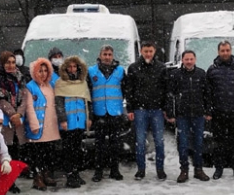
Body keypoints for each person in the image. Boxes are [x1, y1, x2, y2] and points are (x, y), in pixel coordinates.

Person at [206, 41, 234, 180]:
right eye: (222, 51)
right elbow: (207, 92)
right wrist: (208, 110)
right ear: (218, 52)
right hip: (218, 112)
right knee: (218, 143)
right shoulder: (212, 69)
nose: (225, 53)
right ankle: (218, 169)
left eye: (227, 50)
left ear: (231, 51)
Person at [166, 50, 211, 183]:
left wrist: (208, 111)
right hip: (182, 115)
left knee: (198, 143)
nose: (189, 61)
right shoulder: (175, 75)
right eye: (186, 59)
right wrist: (170, 113)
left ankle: (198, 169)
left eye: (191, 59)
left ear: (195, 59)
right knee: (183, 144)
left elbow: (207, 94)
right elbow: (169, 95)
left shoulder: (201, 74)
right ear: (182, 60)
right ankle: (184, 170)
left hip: (198, 114)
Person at [126, 41, 168, 181]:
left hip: (157, 109)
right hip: (140, 110)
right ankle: (141, 169)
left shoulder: (161, 68)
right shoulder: (133, 68)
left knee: (159, 141)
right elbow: (129, 90)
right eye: (146, 51)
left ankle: (160, 169)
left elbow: (165, 90)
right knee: (140, 141)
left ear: (154, 51)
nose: (148, 54)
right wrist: (130, 108)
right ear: (141, 51)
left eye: (150, 51)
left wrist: (166, 108)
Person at [87, 46, 126, 183]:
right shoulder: (91, 71)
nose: (107, 57)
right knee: (99, 145)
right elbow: (88, 92)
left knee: (115, 143)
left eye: (110, 54)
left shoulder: (120, 70)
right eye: (105, 54)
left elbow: (125, 89)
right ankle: (99, 171)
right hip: (99, 113)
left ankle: (115, 170)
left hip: (115, 112)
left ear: (113, 56)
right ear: (100, 55)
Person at [23, 58, 61, 190]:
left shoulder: (50, 86)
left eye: (45, 70)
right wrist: (34, 125)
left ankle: (46, 174)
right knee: (37, 154)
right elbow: (29, 107)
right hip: (38, 127)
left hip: (51, 127)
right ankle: (37, 178)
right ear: (34, 72)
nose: (43, 74)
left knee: (49, 152)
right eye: (40, 71)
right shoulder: (30, 86)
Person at [54, 56, 92, 188]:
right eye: (69, 66)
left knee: (77, 149)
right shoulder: (60, 83)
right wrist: (63, 119)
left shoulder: (82, 83)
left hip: (80, 121)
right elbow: (58, 104)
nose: (72, 69)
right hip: (68, 122)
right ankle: (70, 175)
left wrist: (89, 118)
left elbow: (87, 102)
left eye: (74, 66)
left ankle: (76, 173)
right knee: (68, 150)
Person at [0, 51, 26, 172]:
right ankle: (5, 178)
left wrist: (19, 114)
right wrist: (13, 114)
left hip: (17, 120)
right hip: (4, 120)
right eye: (8, 62)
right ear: (2, 63)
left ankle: (13, 177)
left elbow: (24, 97)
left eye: (13, 62)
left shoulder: (19, 77)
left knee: (16, 150)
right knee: (4, 151)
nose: (11, 65)